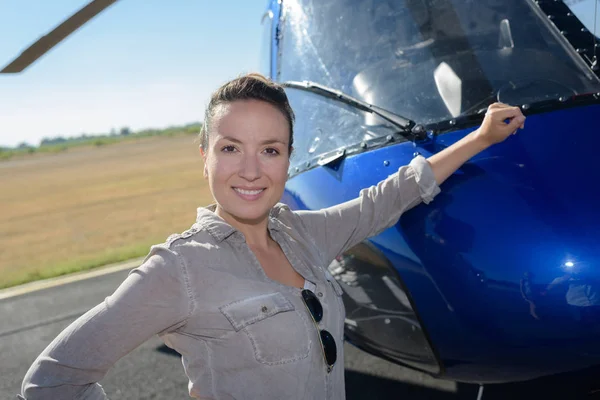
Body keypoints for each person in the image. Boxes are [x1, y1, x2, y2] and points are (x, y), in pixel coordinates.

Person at [19, 73, 525, 400]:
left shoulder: (302, 233)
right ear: (205, 157)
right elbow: (51, 381)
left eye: (270, 150)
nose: (251, 171)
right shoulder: (179, 269)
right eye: (231, 148)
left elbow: (388, 198)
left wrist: (479, 138)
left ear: (287, 158)